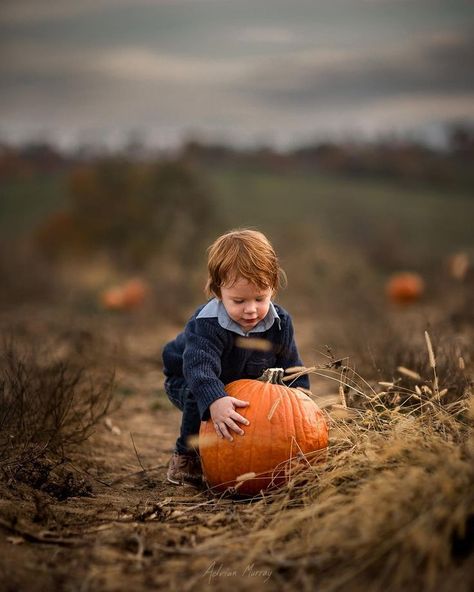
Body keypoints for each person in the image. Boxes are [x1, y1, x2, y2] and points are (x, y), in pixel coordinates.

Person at [162, 228, 310, 486]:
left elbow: (292, 367)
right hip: (188, 378)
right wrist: (215, 399)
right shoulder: (207, 323)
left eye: (260, 298)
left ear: (273, 289)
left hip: (238, 384)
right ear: (219, 293)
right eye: (239, 300)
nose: (251, 309)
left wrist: (303, 403)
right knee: (198, 396)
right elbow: (199, 369)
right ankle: (187, 456)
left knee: (247, 411)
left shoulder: (280, 324)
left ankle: (241, 457)